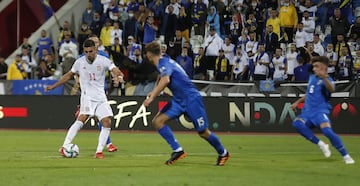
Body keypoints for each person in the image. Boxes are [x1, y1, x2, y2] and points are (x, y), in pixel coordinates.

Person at [143, 41, 230, 166]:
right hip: (178, 101)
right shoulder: (164, 62)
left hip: (191, 100)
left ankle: (223, 153)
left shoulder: (164, 63)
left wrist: (152, 98)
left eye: (147, 54)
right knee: (157, 121)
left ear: (149, 55)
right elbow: (162, 77)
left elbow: (166, 79)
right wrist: (154, 91)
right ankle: (178, 150)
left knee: (203, 132)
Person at [45, 39, 124, 159]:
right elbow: (68, 75)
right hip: (87, 96)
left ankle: (99, 152)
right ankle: (65, 145)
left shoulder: (103, 61)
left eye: (90, 51)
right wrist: (54, 86)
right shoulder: (79, 62)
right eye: (86, 52)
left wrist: (118, 76)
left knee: (107, 122)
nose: (88, 54)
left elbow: (115, 70)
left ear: (95, 50)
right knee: (82, 118)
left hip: (101, 97)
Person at [290, 56, 355, 164]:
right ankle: (321, 144)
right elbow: (309, 93)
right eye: (314, 66)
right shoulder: (312, 78)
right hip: (307, 113)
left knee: (327, 131)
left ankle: (346, 156)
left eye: (316, 66)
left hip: (320, 112)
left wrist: (324, 77)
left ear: (323, 67)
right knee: (297, 123)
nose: (314, 68)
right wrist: (297, 102)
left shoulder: (327, 80)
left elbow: (332, 89)